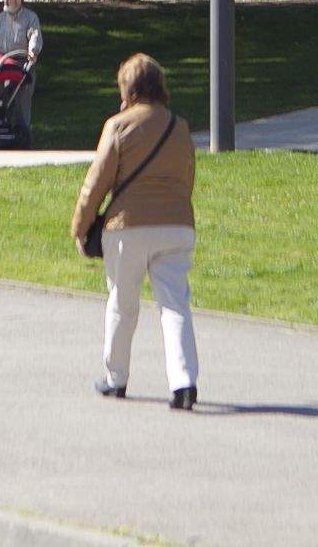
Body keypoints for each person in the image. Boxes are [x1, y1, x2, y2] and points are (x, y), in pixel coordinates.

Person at [74, 53, 198, 410]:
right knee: (175, 306)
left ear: (126, 89)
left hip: (127, 229)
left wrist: (81, 227)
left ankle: (116, 379)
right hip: (176, 226)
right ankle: (184, 382)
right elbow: (186, 178)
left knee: (122, 303)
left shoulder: (118, 126)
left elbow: (94, 185)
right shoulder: (180, 127)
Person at [0, 0, 44, 141]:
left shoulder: (30, 17)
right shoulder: (1, 18)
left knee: (22, 101)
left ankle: (23, 136)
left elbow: (34, 36)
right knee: (2, 99)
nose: (6, 2)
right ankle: (2, 132)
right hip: (3, 64)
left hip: (22, 64)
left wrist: (32, 51)